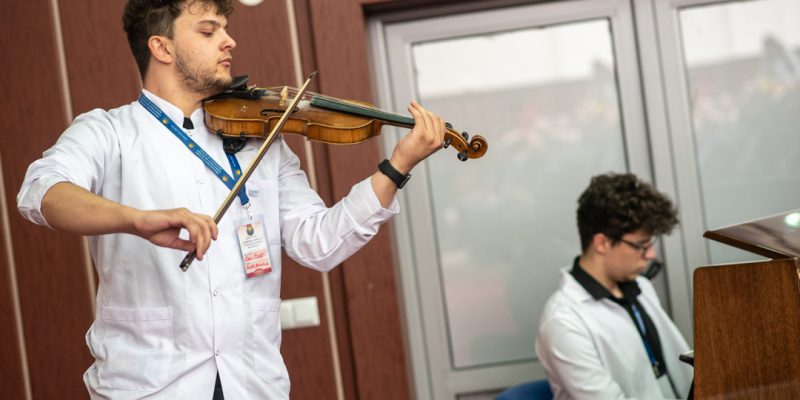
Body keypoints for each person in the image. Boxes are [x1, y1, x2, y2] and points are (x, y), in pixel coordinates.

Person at [16, 0, 446, 398]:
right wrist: (135, 219)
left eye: (225, 28)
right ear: (161, 47)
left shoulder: (262, 141)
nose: (229, 41)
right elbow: (42, 191)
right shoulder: (108, 132)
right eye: (209, 31)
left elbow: (320, 243)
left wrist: (396, 166)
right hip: (149, 387)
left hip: (252, 385)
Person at [534, 173, 693, 399]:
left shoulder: (639, 286)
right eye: (640, 245)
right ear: (602, 243)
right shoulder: (563, 321)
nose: (650, 254)